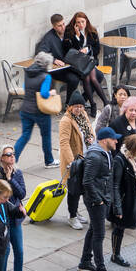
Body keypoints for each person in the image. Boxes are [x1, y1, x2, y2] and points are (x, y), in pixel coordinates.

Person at [79, 127, 122, 271]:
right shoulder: (95, 156)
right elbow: (87, 181)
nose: (116, 141)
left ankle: (85, 261)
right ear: (105, 140)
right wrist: (98, 201)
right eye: (114, 139)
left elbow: (106, 178)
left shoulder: (107, 153)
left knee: (93, 230)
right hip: (95, 201)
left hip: (103, 198)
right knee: (99, 234)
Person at [0, 146, 32, 271]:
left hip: (15, 218)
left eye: (13, 154)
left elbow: (22, 193)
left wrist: (10, 179)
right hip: (3, 218)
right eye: (8, 154)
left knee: (19, 251)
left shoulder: (17, 173)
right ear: (1, 157)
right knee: (5, 252)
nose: (12, 157)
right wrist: (5, 179)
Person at [14, 52, 58, 168]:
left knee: (25, 136)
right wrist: (51, 92)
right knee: (46, 136)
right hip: (40, 112)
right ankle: (49, 161)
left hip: (25, 110)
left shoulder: (28, 72)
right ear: (46, 64)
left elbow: (25, 88)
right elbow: (44, 94)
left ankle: (12, 160)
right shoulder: (46, 76)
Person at [58, 91, 95, 231]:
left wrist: (91, 137)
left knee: (83, 188)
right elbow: (64, 143)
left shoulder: (83, 115)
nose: (79, 109)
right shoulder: (66, 121)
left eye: (81, 106)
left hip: (86, 156)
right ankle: (72, 216)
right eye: (76, 106)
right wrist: (72, 163)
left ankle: (76, 212)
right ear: (70, 107)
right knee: (74, 189)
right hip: (74, 161)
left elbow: (90, 130)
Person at [62, 11, 110, 113]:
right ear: (74, 23)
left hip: (90, 61)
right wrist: (77, 36)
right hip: (77, 64)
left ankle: (96, 104)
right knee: (88, 77)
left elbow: (97, 50)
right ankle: (103, 103)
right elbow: (69, 50)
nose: (81, 25)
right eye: (78, 22)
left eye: (83, 22)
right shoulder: (69, 32)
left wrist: (87, 50)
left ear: (86, 21)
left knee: (90, 77)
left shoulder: (92, 32)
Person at [111, 134, 136, 268]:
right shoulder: (120, 160)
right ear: (132, 148)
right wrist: (117, 207)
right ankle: (115, 255)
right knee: (120, 227)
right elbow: (115, 185)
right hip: (126, 200)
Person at [35, 13, 84, 97]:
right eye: (59, 26)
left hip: (72, 65)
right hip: (59, 70)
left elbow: (78, 44)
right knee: (74, 79)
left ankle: (82, 100)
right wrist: (54, 60)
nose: (63, 27)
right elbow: (40, 53)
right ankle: (69, 104)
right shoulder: (49, 37)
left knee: (93, 75)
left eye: (63, 24)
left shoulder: (68, 32)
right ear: (54, 27)